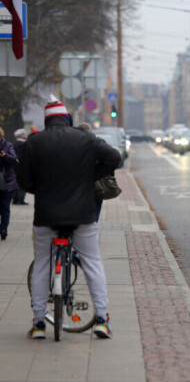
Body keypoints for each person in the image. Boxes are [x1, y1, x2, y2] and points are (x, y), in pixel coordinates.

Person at [17, 97, 121, 339]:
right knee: (93, 262)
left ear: (47, 120)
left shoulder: (35, 141)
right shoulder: (85, 138)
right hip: (82, 215)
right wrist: (89, 177)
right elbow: (114, 157)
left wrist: (40, 189)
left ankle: (39, 323)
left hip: (46, 215)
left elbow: (23, 181)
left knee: (42, 264)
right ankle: (102, 320)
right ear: (66, 118)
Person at [77, 123, 105, 222]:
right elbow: (112, 158)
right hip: (96, 184)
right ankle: (93, 226)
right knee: (95, 209)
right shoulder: (99, 142)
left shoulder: (71, 144)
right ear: (91, 131)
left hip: (77, 185)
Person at [0, 127, 19, 240]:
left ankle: (3, 229)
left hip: (7, 183)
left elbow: (15, 159)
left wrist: (5, 156)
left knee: (5, 207)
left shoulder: (8, 146)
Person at [12, 128, 28, 205]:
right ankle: (20, 200)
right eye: (25, 134)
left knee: (15, 183)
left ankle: (15, 199)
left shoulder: (14, 144)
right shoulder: (24, 145)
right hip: (22, 167)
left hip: (14, 167)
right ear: (22, 136)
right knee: (22, 184)